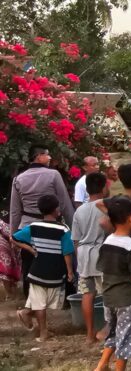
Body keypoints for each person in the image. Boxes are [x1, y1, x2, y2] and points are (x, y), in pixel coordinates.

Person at [10, 144, 75, 296]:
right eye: (47, 154)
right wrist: (73, 227)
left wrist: (13, 234)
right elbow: (64, 203)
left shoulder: (18, 179)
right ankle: (65, 297)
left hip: (27, 226)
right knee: (59, 260)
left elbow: (15, 210)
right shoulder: (53, 175)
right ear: (38, 156)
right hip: (51, 225)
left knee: (28, 264)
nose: (50, 157)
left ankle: (29, 296)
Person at [95, 196, 131, 370]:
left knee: (113, 332)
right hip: (127, 299)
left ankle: (101, 365)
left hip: (109, 297)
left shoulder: (107, 242)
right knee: (126, 337)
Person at [12, 194, 75, 342]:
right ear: (56, 210)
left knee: (40, 301)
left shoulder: (34, 227)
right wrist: (70, 271)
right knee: (43, 303)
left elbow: (14, 238)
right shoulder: (63, 229)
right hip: (54, 271)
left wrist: (30, 249)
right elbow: (67, 252)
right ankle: (43, 332)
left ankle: (26, 313)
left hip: (37, 271)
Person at [72, 172, 109, 344]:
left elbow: (75, 239)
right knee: (108, 294)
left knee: (87, 294)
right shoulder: (105, 207)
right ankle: (108, 329)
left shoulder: (79, 210)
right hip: (101, 254)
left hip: (83, 255)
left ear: (86, 189)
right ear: (104, 187)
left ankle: (89, 335)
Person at [0, 215, 21, 300]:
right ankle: (9, 293)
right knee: (5, 267)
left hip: (18, 233)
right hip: (3, 238)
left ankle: (13, 292)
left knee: (15, 265)